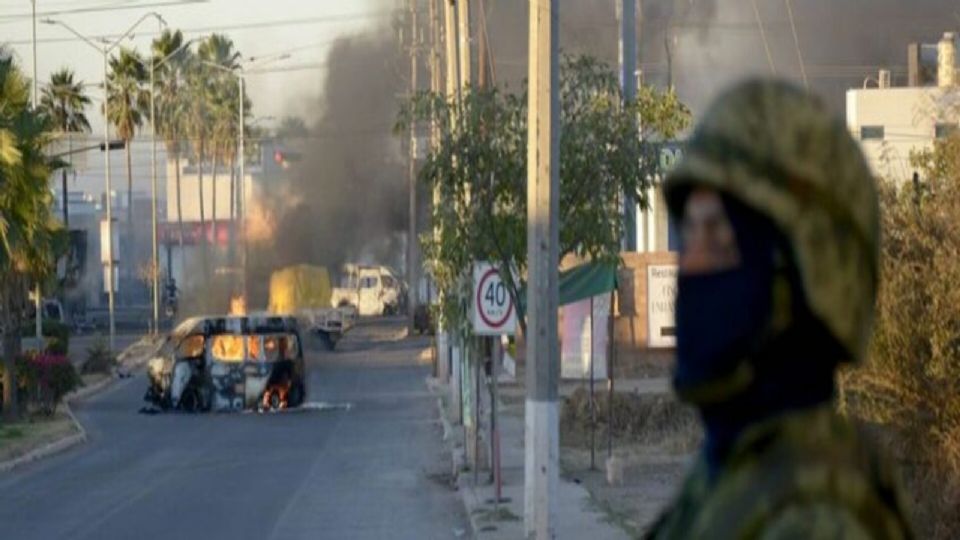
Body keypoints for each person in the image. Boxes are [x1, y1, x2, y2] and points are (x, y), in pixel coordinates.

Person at [645, 79, 913, 539]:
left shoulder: (818, 520)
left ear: (810, 275)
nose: (690, 267)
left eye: (718, 238)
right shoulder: (732, 480)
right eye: (688, 236)